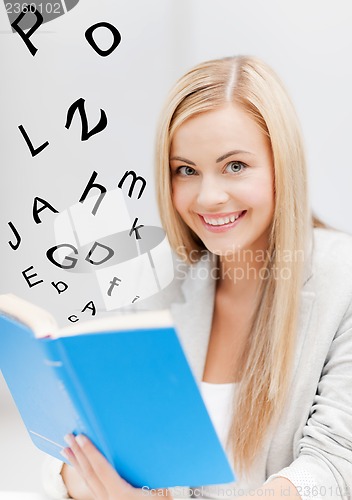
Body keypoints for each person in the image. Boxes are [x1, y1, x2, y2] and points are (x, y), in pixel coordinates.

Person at [42, 56, 352, 499]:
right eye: (186, 170)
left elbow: (336, 463)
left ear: (282, 167)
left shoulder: (343, 280)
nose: (208, 197)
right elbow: (79, 439)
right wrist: (86, 478)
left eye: (235, 166)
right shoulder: (162, 283)